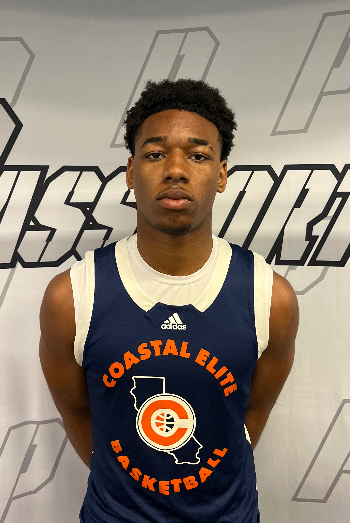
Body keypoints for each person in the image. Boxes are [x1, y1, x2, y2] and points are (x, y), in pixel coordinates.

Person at [39, 78, 299, 523]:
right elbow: (77, 413)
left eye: (198, 156)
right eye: (156, 154)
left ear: (221, 175)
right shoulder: (72, 296)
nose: (176, 170)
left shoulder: (271, 297)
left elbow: (249, 416)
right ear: (130, 171)